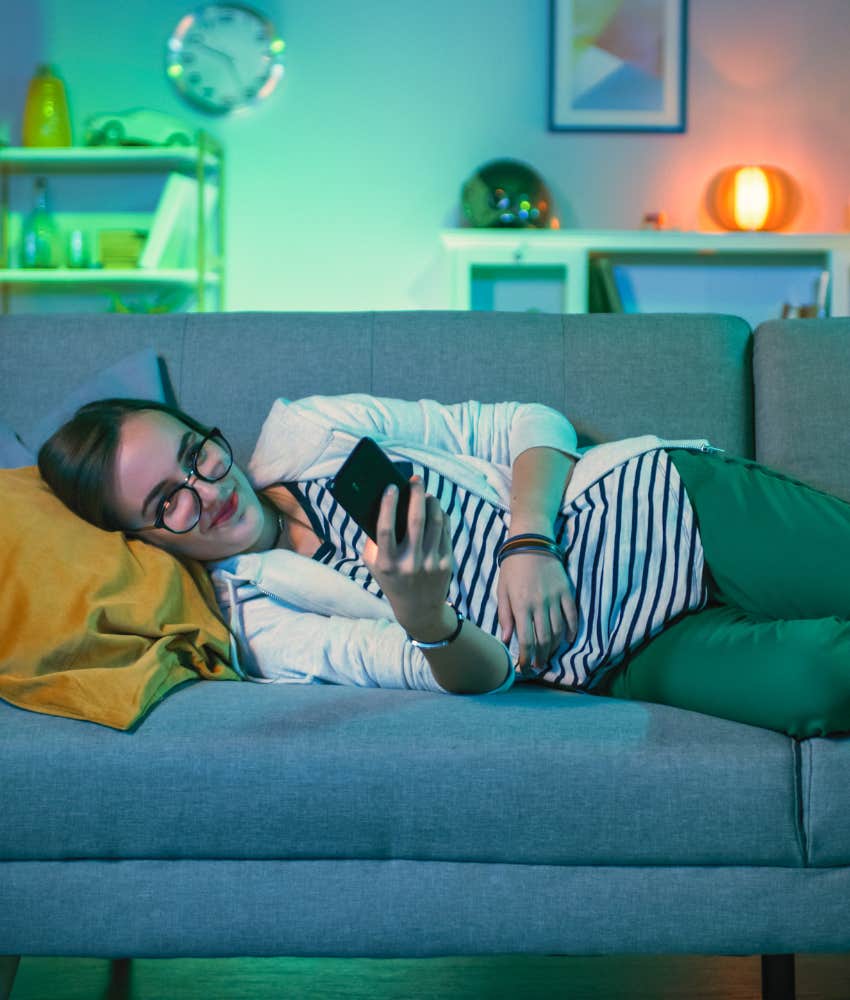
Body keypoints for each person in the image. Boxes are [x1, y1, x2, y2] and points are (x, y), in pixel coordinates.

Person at [37, 392, 850, 740]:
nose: (205, 492)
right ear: (145, 542)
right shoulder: (264, 625)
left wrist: (530, 542)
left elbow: (527, 420)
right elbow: (479, 676)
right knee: (823, 682)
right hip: (621, 650)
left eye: (197, 455)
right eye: (166, 503)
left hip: (674, 508)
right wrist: (425, 617)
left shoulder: (312, 431)